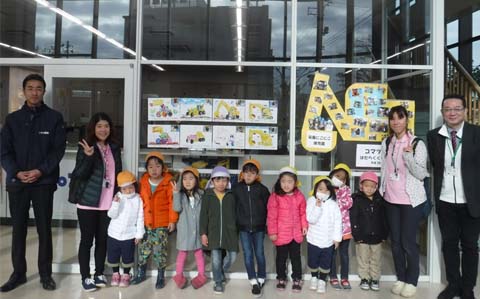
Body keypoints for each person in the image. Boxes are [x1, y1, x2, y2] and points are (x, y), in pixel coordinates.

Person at [0, 74, 66, 292]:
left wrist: (40, 171)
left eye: (38, 88)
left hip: (43, 183)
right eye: (30, 88)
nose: (34, 92)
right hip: (17, 183)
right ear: (24, 91)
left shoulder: (54, 118)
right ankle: (18, 274)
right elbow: (4, 151)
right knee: (18, 230)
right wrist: (17, 172)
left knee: (44, 229)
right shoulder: (12, 120)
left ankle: (45, 275)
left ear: (43, 91)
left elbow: (57, 151)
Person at [427, 94, 480, 299]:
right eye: (447, 109)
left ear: (465, 111)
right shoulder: (434, 136)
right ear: (442, 113)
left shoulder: (476, 133)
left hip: (472, 202)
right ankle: (453, 285)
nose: (452, 112)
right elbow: (435, 165)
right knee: (449, 245)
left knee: (469, 246)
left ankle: (467, 288)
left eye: (457, 108)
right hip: (445, 200)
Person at [380, 105, 429, 298]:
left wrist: (408, 156)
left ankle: (412, 280)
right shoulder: (387, 142)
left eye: (399, 118)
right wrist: (382, 189)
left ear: (406, 120)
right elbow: (384, 168)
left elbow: (421, 174)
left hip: (410, 200)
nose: (396, 122)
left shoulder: (417, 143)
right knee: (396, 242)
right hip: (391, 199)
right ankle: (401, 277)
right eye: (392, 119)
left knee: (409, 242)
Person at [70, 112, 122, 292]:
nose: (103, 129)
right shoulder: (86, 146)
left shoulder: (114, 147)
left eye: (106, 126)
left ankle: (99, 273)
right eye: (99, 126)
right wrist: (89, 156)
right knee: (87, 241)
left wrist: (118, 194)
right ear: (93, 128)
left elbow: (117, 173)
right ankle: (85, 277)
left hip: (108, 202)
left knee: (102, 240)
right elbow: (80, 174)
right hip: (88, 202)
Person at [133, 151, 178, 289]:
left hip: (161, 223)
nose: (154, 169)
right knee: (143, 249)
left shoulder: (168, 182)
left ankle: (160, 276)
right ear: (146, 168)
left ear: (163, 167)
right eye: (150, 166)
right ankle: (141, 273)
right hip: (145, 223)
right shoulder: (143, 181)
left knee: (160, 250)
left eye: (157, 166)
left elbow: (172, 203)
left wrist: (172, 220)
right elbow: (138, 202)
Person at [233, 159, 270, 297]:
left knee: (259, 253)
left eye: (252, 173)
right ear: (242, 174)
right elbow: (233, 208)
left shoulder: (262, 189)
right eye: (246, 173)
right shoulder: (236, 189)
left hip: (259, 228)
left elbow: (269, 209)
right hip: (243, 228)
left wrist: (267, 225)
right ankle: (253, 280)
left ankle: (261, 277)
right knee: (248, 255)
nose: (248, 176)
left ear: (257, 175)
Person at [267, 166, 308, 293]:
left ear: (295, 183)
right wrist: (272, 232)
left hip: (295, 233)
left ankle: (297, 278)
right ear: (279, 182)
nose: (286, 184)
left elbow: (303, 213)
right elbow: (271, 216)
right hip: (281, 235)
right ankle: (281, 278)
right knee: (281, 258)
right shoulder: (275, 197)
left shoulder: (300, 196)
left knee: (296, 258)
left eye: (290, 181)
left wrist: (304, 226)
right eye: (283, 181)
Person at [199, 166, 238, 294]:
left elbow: (235, 213)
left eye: (224, 180)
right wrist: (203, 233)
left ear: (228, 181)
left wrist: (236, 229)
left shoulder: (231, 195)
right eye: (218, 180)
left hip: (230, 232)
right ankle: (218, 281)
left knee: (232, 257)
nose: (221, 183)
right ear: (212, 181)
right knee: (215, 259)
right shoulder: (208, 196)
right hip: (213, 233)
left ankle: (221, 270)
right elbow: (203, 216)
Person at [350, 172, 388, 292]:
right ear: (361, 186)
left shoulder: (380, 200)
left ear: (376, 187)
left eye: (372, 186)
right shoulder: (357, 199)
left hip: (377, 236)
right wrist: (356, 235)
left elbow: (384, 218)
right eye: (366, 186)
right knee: (363, 258)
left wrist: (384, 234)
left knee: (376, 259)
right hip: (362, 236)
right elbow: (353, 218)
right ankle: (365, 278)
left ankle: (375, 278)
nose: (369, 189)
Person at [107, 171, 145, 288]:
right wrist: (115, 204)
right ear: (120, 189)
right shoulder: (118, 197)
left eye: (130, 188)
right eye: (124, 189)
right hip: (114, 234)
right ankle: (115, 273)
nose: (128, 191)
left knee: (127, 256)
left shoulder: (138, 199)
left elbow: (140, 217)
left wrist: (139, 234)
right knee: (113, 255)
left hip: (129, 235)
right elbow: (111, 215)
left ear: (134, 186)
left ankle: (126, 275)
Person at [171, 167, 207, 289]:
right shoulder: (180, 195)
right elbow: (176, 209)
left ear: (196, 180)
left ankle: (201, 275)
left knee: (199, 253)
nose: (187, 181)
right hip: (184, 231)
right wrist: (175, 193)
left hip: (197, 230)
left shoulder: (201, 195)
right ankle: (179, 276)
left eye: (191, 178)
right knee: (182, 253)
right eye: (184, 179)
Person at [306, 176, 342, 294]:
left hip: (328, 240)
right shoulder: (311, 201)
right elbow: (310, 219)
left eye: (327, 190)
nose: (323, 192)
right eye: (321, 189)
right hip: (313, 239)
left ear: (330, 192)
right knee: (313, 260)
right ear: (316, 189)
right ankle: (314, 277)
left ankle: (322, 280)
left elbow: (338, 222)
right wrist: (317, 206)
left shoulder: (333, 204)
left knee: (326, 262)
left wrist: (337, 239)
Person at [328, 163, 353, 290]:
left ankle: (344, 278)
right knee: (332, 254)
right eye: (337, 176)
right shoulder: (327, 189)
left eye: (343, 178)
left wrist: (342, 190)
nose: (339, 179)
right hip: (332, 229)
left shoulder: (347, 190)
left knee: (344, 254)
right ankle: (332, 276)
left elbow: (348, 204)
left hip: (345, 229)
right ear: (332, 175)